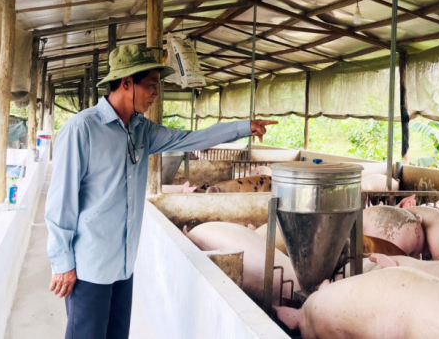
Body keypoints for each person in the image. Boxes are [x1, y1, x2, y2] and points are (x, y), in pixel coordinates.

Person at [44, 45, 276, 339]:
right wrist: (63, 263)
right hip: (89, 268)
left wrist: (245, 127)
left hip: (123, 265)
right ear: (127, 82)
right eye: (151, 85)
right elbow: (60, 202)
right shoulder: (82, 129)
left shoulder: (142, 130)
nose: (156, 93)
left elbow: (192, 139)